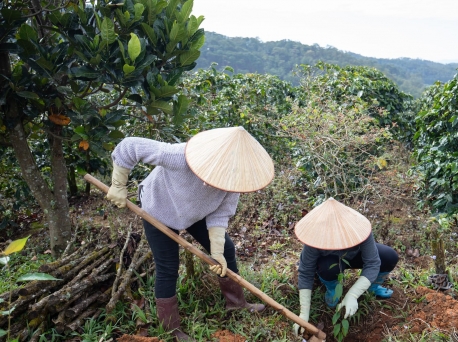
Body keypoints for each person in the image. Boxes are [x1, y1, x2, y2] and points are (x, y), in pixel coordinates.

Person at [107, 127, 275, 341]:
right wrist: (118, 185)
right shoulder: (180, 156)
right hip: (158, 208)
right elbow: (130, 146)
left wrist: (217, 252)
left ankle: (236, 303)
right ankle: (171, 328)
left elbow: (220, 215)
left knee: (227, 249)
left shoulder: (233, 181)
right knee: (168, 267)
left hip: (194, 214)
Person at [291, 198, 399, 336]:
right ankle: (332, 289)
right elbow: (306, 272)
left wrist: (353, 294)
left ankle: (373, 286)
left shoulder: (359, 229)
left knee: (389, 256)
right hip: (330, 263)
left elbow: (372, 262)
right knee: (327, 267)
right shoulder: (315, 239)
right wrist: (303, 313)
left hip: (355, 256)